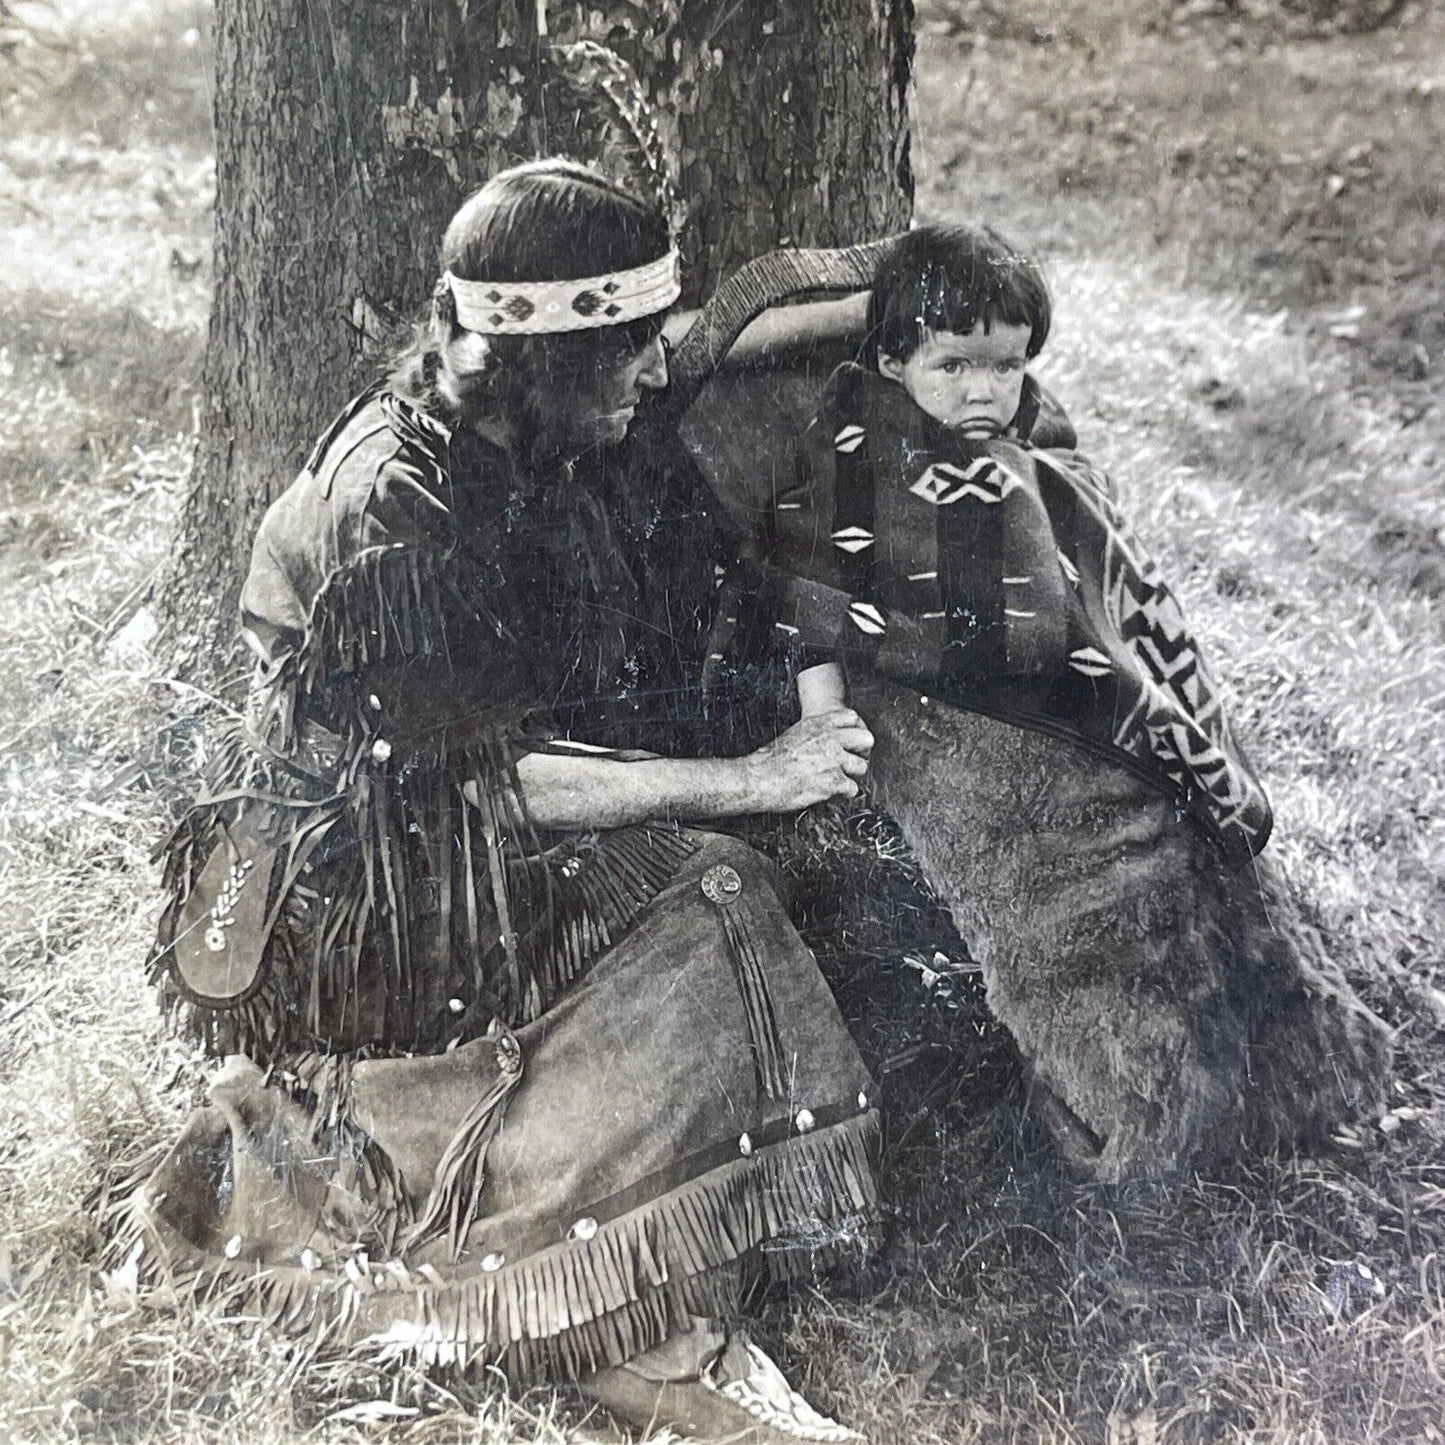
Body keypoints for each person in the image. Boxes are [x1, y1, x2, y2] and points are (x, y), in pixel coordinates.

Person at [112, 160, 878, 1444]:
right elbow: (486, 786)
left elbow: (724, 569)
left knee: (754, 890)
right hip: (369, 889)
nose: (654, 373)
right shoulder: (391, 511)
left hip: (454, 824)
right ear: (545, 356)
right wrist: (756, 782)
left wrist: (805, 705)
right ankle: (580, 1286)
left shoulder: (544, 424)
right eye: (628, 350)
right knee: (712, 904)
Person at [767, 223, 1388, 1183]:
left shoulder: (1034, 446)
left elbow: (1100, 579)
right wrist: (822, 720)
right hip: (940, 710)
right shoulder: (853, 454)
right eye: (953, 365)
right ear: (892, 360)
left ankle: (1271, 1079)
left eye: (1005, 367)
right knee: (1059, 885)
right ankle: (1125, 1100)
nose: (983, 391)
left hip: (1085, 698)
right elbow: (808, 599)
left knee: (1173, 841)